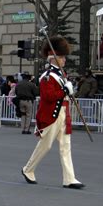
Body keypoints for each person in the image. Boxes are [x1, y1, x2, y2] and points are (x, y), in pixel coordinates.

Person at [22, 36, 85, 189]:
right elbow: (49, 97)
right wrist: (64, 89)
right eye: (62, 57)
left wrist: (68, 91)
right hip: (52, 115)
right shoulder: (48, 76)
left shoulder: (61, 76)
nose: (64, 60)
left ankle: (69, 178)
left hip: (63, 113)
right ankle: (28, 169)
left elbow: (63, 95)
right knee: (46, 145)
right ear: (53, 59)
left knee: (66, 146)